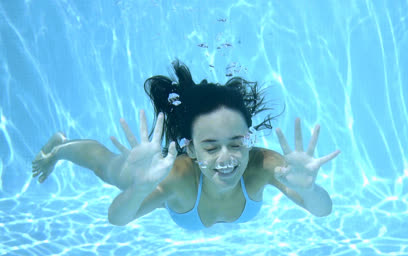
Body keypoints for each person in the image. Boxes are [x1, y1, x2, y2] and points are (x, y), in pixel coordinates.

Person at [32, 60, 340, 230]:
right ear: (190, 149)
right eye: (210, 146)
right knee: (113, 170)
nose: (226, 158)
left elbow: (322, 211)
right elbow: (117, 219)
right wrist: (138, 188)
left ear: (250, 138)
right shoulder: (178, 176)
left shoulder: (264, 166)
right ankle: (61, 147)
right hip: (162, 175)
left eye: (236, 143)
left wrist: (310, 189)